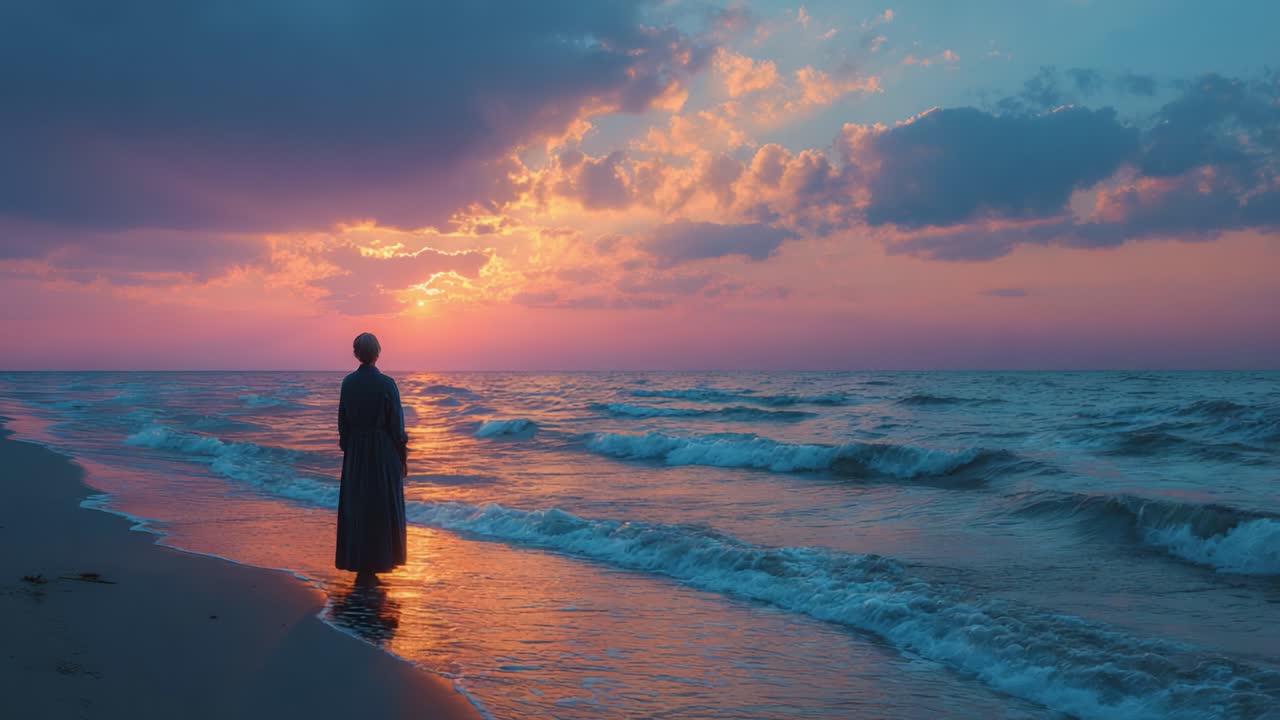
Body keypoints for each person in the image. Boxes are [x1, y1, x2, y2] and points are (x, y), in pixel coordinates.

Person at [336, 332, 408, 585]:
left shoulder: (348, 383)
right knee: (381, 505)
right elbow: (396, 425)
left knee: (358, 505)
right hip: (382, 449)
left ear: (356, 353)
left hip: (356, 449)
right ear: (378, 353)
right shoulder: (387, 384)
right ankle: (380, 560)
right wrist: (402, 456)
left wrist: (350, 448)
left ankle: (360, 562)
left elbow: (343, 422)